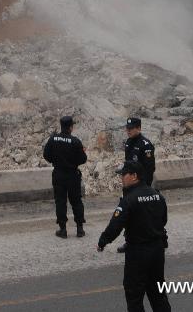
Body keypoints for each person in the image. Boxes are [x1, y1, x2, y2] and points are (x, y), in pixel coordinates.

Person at [97, 160, 171, 312]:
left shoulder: (129, 199)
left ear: (134, 176)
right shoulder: (157, 195)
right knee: (158, 294)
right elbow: (163, 220)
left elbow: (115, 225)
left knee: (134, 295)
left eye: (124, 174)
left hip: (138, 252)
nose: (121, 178)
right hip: (157, 251)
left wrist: (103, 241)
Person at [43, 114, 87, 238]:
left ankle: (63, 230)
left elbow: (46, 155)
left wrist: (56, 161)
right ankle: (80, 229)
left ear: (61, 126)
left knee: (60, 202)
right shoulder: (76, 141)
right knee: (76, 201)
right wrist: (73, 162)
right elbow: (83, 159)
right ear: (71, 127)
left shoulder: (53, 139)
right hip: (73, 175)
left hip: (58, 174)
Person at [118, 116, 156, 253]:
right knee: (129, 215)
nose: (128, 131)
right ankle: (130, 241)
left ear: (139, 128)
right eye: (127, 129)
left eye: (131, 129)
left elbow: (150, 168)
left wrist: (144, 186)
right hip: (129, 186)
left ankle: (150, 239)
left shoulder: (146, 145)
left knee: (143, 215)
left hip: (141, 186)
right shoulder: (128, 142)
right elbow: (128, 164)